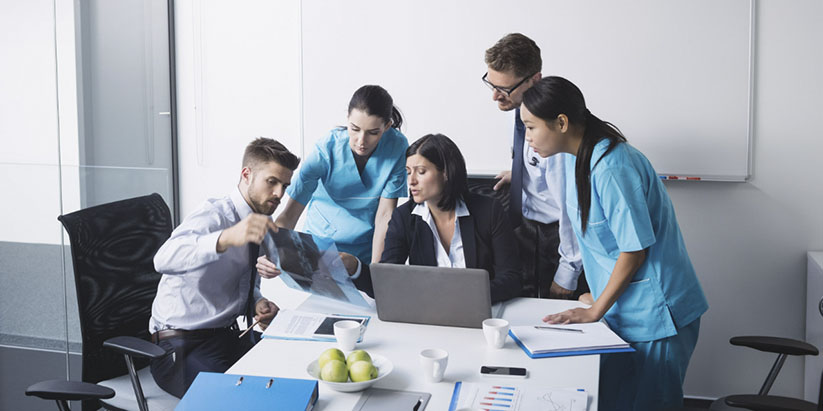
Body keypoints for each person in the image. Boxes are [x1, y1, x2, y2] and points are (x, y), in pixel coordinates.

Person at [521, 76, 708, 410]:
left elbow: (634, 251)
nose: (528, 137)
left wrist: (595, 309)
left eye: (531, 127)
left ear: (561, 123)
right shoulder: (571, 157)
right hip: (624, 308)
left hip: (656, 313)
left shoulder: (612, 167)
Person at [148, 137, 300, 398]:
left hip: (226, 338)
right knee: (246, 399)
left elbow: (243, 281)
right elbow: (162, 259)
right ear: (246, 174)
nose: (279, 194)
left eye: (284, 185)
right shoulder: (213, 215)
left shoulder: (261, 219)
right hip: (179, 348)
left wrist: (256, 302)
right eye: (272, 182)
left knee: (291, 372)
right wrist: (225, 238)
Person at [342, 133, 522, 304]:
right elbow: (386, 282)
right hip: (429, 315)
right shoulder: (404, 217)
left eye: (421, 172)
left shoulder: (489, 211)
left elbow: (511, 279)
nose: (411, 181)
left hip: (482, 313)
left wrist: (461, 298)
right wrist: (354, 266)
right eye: (408, 171)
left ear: (446, 173)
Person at [483, 33, 585, 299]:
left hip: (556, 237)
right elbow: (533, 161)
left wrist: (567, 273)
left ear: (534, 80)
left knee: (553, 311)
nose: (495, 96)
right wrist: (518, 173)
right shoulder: (515, 109)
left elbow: (571, 208)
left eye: (504, 89)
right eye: (490, 84)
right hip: (526, 226)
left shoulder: (555, 132)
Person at [273, 85, 408, 264]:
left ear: (387, 126)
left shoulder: (396, 148)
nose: (361, 141)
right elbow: (290, 214)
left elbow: (385, 216)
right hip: (319, 247)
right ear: (347, 119)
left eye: (373, 133)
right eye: (354, 128)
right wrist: (270, 253)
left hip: (364, 251)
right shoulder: (326, 149)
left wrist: (376, 273)